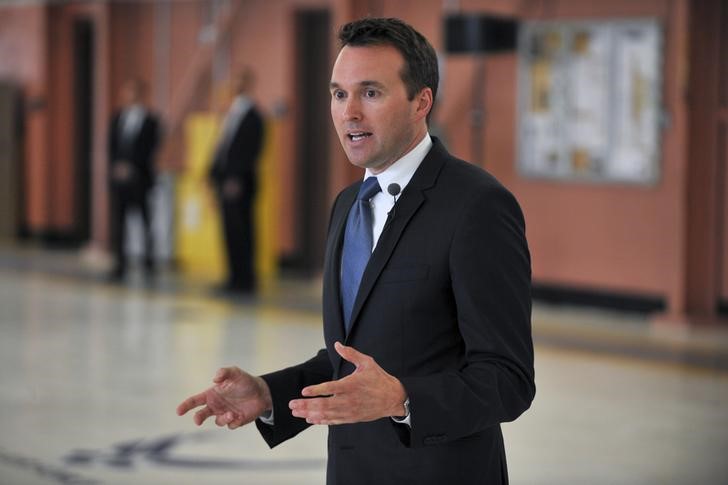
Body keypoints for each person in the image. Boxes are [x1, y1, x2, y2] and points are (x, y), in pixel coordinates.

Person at [178, 17, 535, 484]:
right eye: (338, 93)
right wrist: (270, 393)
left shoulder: (476, 205)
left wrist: (401, 399)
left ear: (420, 102)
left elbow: (507, 379)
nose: (349, 113)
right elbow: (353, 354)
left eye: (370, 93)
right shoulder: (348, 205)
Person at [208, 67, 264, 295]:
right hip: (225, 181)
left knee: (243, 230)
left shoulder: (253, 116)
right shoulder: (230, 114)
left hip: (239, 183)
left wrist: (235, 178)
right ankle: (233, 276)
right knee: (229, 231)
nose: (236, 84)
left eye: (241, 80)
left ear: (249, 83)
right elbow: (223, 147)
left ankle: (245, 279)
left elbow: (250, 151)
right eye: (235, 79)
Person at [107, 78, 161, 280]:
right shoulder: (117, 118)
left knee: (146, 220)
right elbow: (112, 148)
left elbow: (150, 150)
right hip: (120, 179)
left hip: (141, 179)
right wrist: (117, 167)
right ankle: (119, 263)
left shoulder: (151, 121)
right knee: (119, 222)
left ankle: (149, 261)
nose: (128, 96)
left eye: (132, 91)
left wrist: (132, 167)